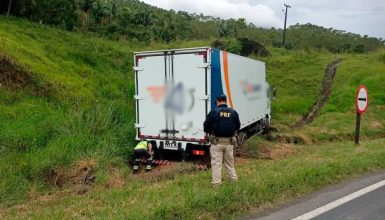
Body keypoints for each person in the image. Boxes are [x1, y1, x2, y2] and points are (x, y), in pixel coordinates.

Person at [203, 94, 241, 186]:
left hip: (217, 143)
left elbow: (206, 127)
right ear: (225, 101)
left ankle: (216, 184)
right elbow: (238, 126)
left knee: (216, 165)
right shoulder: (233, 112)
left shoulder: (213, 112)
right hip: (229, 143)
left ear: (217, 101)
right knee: (229, 164)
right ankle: (234, 181)